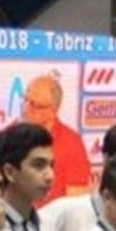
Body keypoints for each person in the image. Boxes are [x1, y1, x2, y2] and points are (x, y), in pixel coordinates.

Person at [22, 74, 92, 205]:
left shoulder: (71, 143)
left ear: (53, 110)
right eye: (26, 101)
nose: (27, 109)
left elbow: (76, 201)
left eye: (35, 105)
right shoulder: (14, 137)